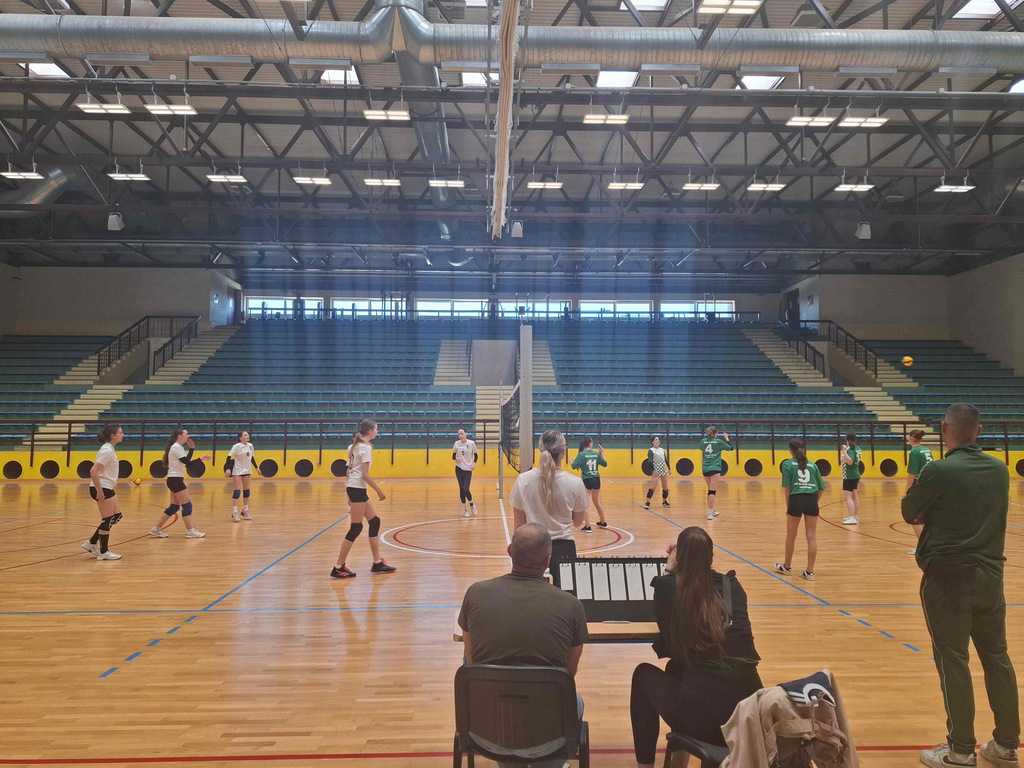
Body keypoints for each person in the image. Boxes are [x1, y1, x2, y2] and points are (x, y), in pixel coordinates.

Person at [902, 403, 1019, 768]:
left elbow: (909, 511)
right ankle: (1006, 746)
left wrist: (932, 509)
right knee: (997, 659)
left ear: (944, 429)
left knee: (953, 660)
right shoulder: (1000, 469)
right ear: (979, 431)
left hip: (947, 579)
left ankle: (961, 750)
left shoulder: (938, 470)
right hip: (991, 578)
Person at [458, 523, 588, 768]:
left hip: (487, 733)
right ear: (548, 560)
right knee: (575, 699)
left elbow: (473, 662)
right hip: (546, 734)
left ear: (509, 551)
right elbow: (568, 675)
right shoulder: (571, 605)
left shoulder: (475, 594)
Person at [631, 526, 762, 768]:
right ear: (711, 557)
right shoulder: (733, 586)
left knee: (643, 676)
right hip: (747, 713)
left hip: (707, 718)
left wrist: (669, 571)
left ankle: (646, 766)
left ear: (679, 557)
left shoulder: (669, 588)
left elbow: (671, 645)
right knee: (676, 669)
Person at [509, 430, 589, 562]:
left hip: (533, 546)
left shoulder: (523, 480)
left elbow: (519, 525)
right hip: (565, 549)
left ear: (540, 449)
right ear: (563, 451)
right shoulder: (576, 483)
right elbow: (577, 522)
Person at [331, 419, 396, 579]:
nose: (377, 431)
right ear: (370, 431)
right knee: (356, 528)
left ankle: (377, 562)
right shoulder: (365, 448)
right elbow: (365, 475)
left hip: (355, 488)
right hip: (357, 489)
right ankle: (338, 567)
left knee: (374, 522)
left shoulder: (352, 447)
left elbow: (349, 471)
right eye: (376, 429)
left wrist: (349, 493)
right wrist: (379, 491)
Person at [774, 439, 825, 581]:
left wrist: (789, 506)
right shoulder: (813, 465)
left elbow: (787, 488)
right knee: (811, 536)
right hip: (811, 499)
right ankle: (810, 572)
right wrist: (814, 502)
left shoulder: (787, 464)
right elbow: (821, 488)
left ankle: (787, 567)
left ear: (790, 450)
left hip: (796, 499)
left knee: (791, 535)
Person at [150, 428, 210, 539]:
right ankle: (190, 531)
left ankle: (156, 529)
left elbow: (186, 463)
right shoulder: (176, 447)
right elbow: (187, 462)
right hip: (175, 480)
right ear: (180, 436)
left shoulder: (178, 448)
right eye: (186, 434)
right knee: (187, 505)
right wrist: (192, 449)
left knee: (174, 507)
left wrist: (199, 458)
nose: (188, 436)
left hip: (174, 479)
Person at [82, 423, 126, 561]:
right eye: (120, 433)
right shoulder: (107, 451)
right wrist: (99, 491)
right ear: (113, 436)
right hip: (102, 487)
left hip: (107, 486)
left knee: (116, 516)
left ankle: (91, 542)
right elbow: (93, 471)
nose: (123, 435)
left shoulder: (110, 449)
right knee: (107, 519)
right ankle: (104, 552)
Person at [571, 436, 608, 532]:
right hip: (596, 479)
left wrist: (571, 462)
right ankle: (603, 521)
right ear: (590, 444)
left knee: (585, 503)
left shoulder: (581, 454)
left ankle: (588, 526)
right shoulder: (596, 454)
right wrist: (602, 453)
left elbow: (574, 466)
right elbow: (605, 464)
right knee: (597, 502)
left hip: (587, 479)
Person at [906, 429, 933, 555]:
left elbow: (912, 473)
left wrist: (908, 489)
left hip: (919, 484)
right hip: (929, 484)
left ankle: (922, 547)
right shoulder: (927, 450)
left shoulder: (914, 452)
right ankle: (929, 545)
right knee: (926, 517)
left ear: (911, 438)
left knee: (915, 517)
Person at [225, 430, 261, 522]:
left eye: (247, 434)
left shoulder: (250, 445)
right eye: (245, 435)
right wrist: (227, 468)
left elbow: (251, 457)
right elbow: (228, 457)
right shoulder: (236, 446)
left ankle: (245, 510)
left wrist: (257, 467)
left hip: (247, 470)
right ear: (241, 438)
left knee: (246, 491)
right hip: (237, 471)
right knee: (237, 491)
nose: (247, 436)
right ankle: (234, 512)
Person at [698, 427, 733, 521]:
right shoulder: (718, 442)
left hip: (705, 468)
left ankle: (711, 510)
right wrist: (727, 438)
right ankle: (710, 513)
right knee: (712, 491)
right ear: (716, 434)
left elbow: (702, 449)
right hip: (715, 468)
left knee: (710, 491)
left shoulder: (703, 441)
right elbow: (731, 448)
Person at [452, 428, 479, 519]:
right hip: (459, 468)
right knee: (461, 489)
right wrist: (457, 458)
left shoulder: (471, 443)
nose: (460, 435)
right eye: (459, 434)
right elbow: (453, 456)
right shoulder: (456, 444)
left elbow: (476, 455)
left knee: (466, 489)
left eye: (462, 433)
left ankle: (472, 504)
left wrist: (474, 463)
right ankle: (465, 510)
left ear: (466, 434)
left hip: (468, 469)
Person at [840, 434, 862, 525]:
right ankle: (855, 516)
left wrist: (844, 451)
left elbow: (850, 462)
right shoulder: (858, 448)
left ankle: (852, 517)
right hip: (856, 474)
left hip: (849, 476)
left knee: (847, 497)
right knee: (854, 496)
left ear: (847, 440)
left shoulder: (849, 450)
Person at [645, 436, 670, 509]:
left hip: (663, 469)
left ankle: (664, 501)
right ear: (653, 442)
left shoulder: (662, 450)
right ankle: (647, 502)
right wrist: (653, 470)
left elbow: (666, 459)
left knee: (665, 487)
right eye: (656, 439)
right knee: (653, 487)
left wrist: (669, 468)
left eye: (658, 439)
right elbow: (650, 461)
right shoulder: (651, 450)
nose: (658, 440)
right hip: (656, 469)